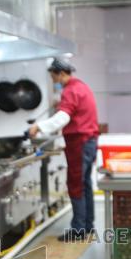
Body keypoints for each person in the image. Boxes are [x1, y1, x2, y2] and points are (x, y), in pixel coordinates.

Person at [28, 58, 100, 242]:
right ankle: (87, 226)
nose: (52, 79)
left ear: (61, 73)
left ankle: (78, 230)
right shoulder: (81, 87)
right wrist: (60, 105)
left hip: (80, 143)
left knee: (76, 185)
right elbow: (71, 112)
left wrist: (39, 126)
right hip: (89, 142)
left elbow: (63, 118)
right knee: (85, 184)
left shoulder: (70, 90)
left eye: (53, 76)